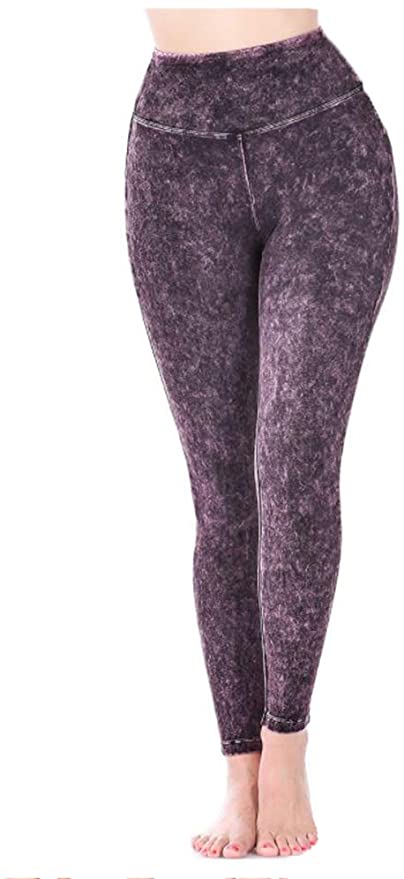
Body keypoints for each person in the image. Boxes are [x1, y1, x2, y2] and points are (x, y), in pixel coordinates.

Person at [124, 7, 399, 860]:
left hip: (321, 139)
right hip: (173, 153)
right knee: (220, 496)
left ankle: (287, 742)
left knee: (293, 464)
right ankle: (238, 763)